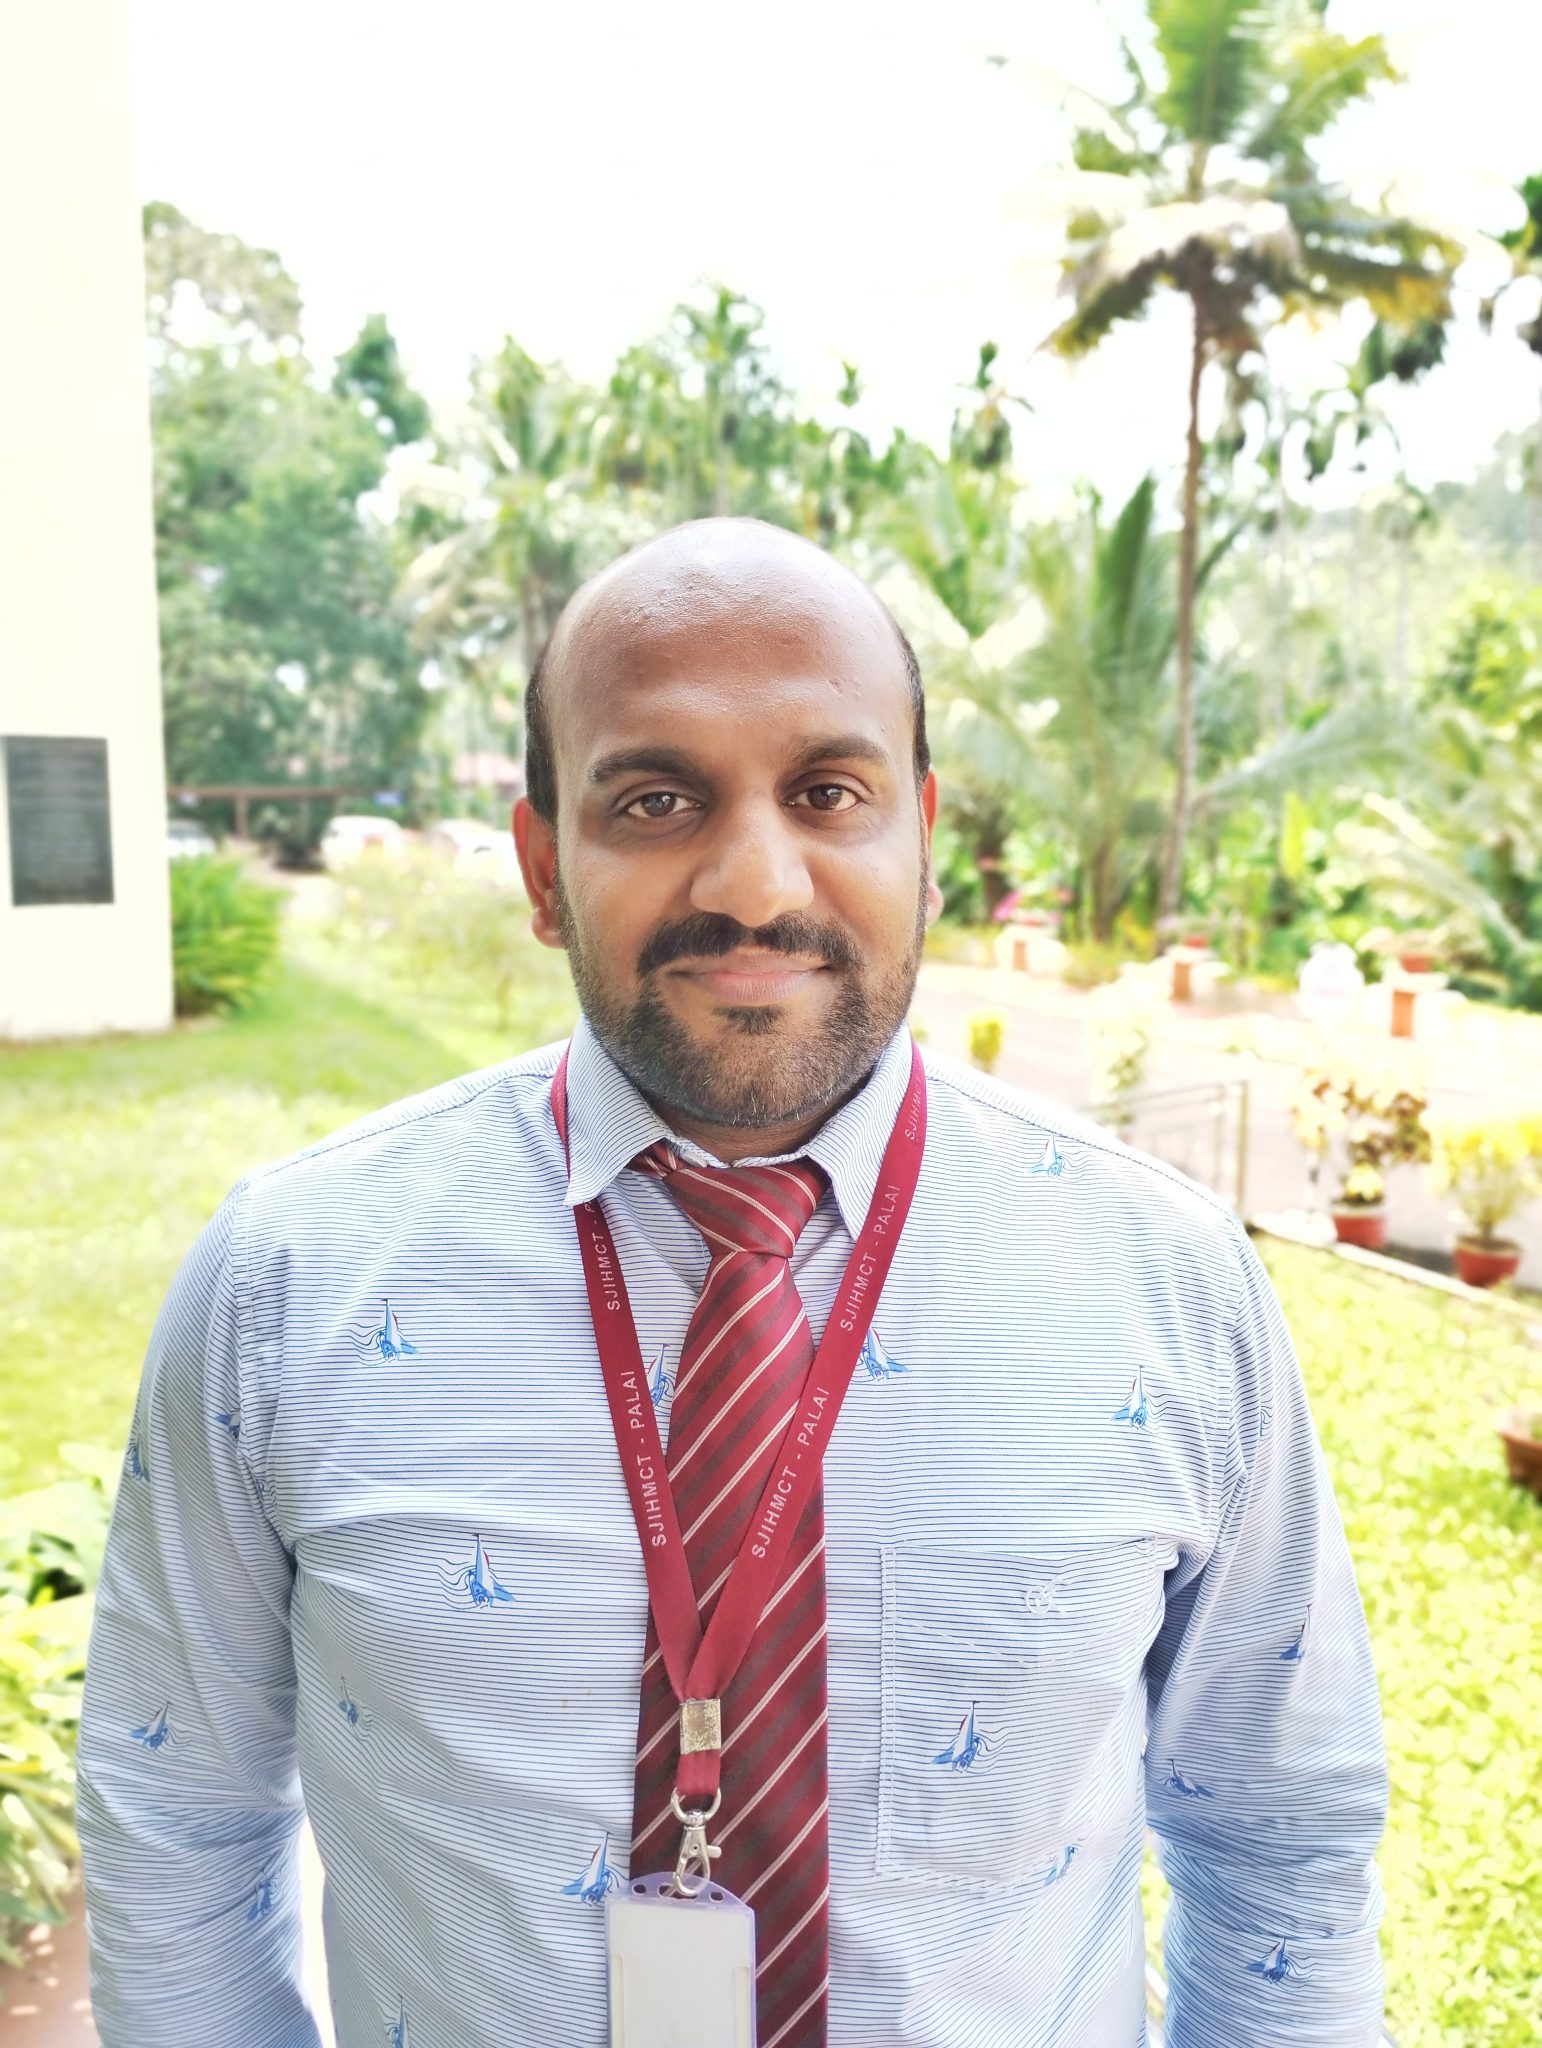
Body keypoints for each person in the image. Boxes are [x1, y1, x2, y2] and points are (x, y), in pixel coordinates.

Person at [78, 517, 1387, 2048]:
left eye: (829, 793)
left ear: (924, 841)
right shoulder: (288, 1280)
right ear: (542, 869)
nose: (756, 884)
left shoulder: (1164, 1282)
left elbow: (1278, 1834)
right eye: (654, 799)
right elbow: (175, 1821)